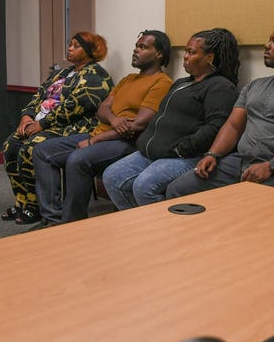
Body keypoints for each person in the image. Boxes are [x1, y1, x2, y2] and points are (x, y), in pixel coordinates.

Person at [165, 24, 274, 198]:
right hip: (241, 160)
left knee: (246, 204)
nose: (267, 45)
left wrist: (271, 166)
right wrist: (213, 154)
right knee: (178, 189)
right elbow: (233, 126)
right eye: (269, 40)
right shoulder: (254, 85)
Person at [29, 31, 173, 229]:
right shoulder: (128, 79)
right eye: (136, 45)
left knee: (78, 159)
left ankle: (72, 224)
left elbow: (138, 125)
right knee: (43, 150)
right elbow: (102, 109)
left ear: (159, 54)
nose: (135, 50)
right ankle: (53, 219)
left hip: (126, 142)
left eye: (143, 47)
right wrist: (114, 120)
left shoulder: (162, 82)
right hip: (104, 132)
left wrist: (94, 141)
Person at [102, 28, 240, 208]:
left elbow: (215, 127)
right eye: (186, 51)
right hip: (153, 151)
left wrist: (181, 149)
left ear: (210, 58)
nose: (185, 56)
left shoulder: (220, 86)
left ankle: (164, 230)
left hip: (183, 156)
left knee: (145, 186)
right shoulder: (182, 83)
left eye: (191, 52)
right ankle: (138, 225)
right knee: (112, 176)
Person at [2, 32, 113, 224]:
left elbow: (75, 107)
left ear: (89, 52)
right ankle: (23, 202)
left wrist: (41, 124)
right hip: (42, 124)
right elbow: (38, 96)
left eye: (76, 45)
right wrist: (26, 116)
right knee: (11, 146)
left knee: (31, 148)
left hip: (73, 128)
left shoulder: (96, 75)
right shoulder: (62, 73)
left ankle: (35, 206)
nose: (69, 48)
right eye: (70, 44)